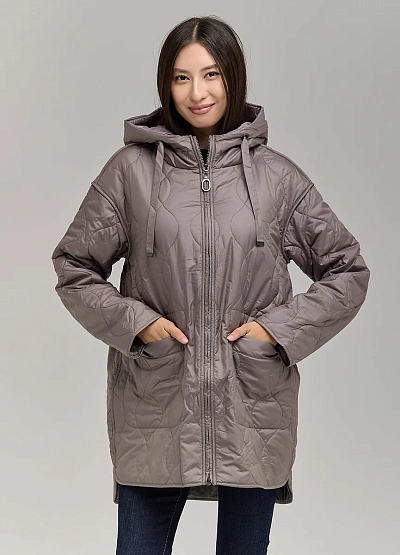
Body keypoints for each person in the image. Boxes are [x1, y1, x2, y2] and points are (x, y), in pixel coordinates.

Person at [51, 14, 370, 555]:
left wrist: (275, 333)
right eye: (181, 77)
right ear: (166, 83)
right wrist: (138, 325)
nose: (196, 93)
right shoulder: (130, 172)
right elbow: (74, 266)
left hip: (253, 406)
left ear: (233, 77)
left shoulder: (276, 177)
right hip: (155, 406)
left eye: (211, 74)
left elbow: (347, 270)